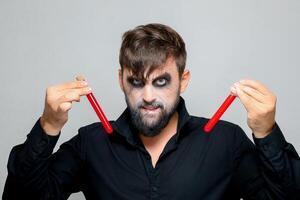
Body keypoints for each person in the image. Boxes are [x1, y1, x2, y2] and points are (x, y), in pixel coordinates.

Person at [3, 23, 300, 200]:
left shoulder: (225, 141)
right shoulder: (91, 144)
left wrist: (266, 132)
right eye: (135, 82)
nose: (147, 97)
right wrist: (48, 126)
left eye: (160, 82)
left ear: (183, 81)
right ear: (121, 80)